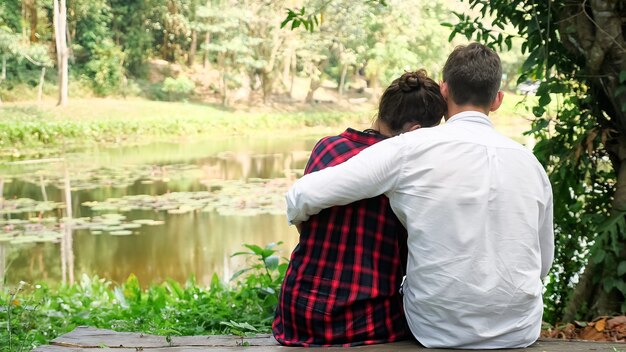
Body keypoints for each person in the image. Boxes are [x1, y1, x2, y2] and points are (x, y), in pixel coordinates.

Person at [285, 43, 554, 349]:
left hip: (437, 330)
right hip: (518, 330)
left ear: (444, 90)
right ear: (497, 100)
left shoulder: (409, 148)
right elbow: (542, 264)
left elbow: (302, 195)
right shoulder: (531, 165)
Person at [273, 70, 447, 347]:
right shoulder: (411, 171)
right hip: (368, 319)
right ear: (415, 131)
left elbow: (304, 226)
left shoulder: (327, 147)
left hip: (300, 314)